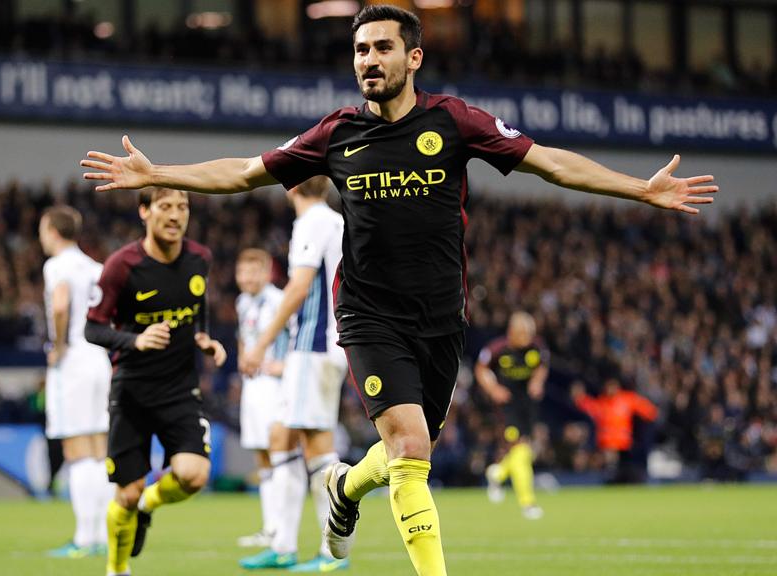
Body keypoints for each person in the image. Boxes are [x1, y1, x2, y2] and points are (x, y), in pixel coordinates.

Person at [78, 5, 717, 573]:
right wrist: (160, 171)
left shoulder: (455, 121)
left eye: (382, 48)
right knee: (410, 450)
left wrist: (640, 188)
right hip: (367, 317)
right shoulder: (336, 134)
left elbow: (549, 161)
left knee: (408, 453)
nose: (369, 60)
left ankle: (345, 488)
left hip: (441, 321)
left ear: (414, 57)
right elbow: (245, 171)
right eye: (360, 49)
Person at [84, 187, 227, 576]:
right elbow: (91, 329)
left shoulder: (200, 258)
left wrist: (204, 338)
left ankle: (151, 503)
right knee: (126, 494)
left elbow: (197, 307)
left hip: (180, 389)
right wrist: (135, 340)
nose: (176, 215)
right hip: (131, 389)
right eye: (165, 206)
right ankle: (117, 568)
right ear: (145, 211)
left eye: (182, 207)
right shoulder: (122, 266)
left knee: (193, 474)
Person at [238, 176, 349, 572]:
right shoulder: (337, 221)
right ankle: (283, 544)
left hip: (312, 347)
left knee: (319, 450)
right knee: (280, 438)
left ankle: (333, 551)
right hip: (325, 346)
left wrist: (261, 343)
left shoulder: (313, 222)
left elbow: (299, 287)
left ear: (292, 187)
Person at [39, 205, 116, 558]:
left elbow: (59, 305)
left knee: (76, 448)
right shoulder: (96, 267)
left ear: (53, 231)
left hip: (74, 360)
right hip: (99, 356)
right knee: (100, 448)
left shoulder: (57, 266)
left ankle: (84, 538)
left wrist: (59, 345)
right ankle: (103, 533)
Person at [233, 248, 288, 550]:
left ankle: (282, 528)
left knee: (278, 454)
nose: (247, 278)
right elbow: (244, 337)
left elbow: (295, 335)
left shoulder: (278, 300)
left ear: (267, 273)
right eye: (243, 272)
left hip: (275, 384)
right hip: (253, 386)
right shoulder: (243, 302)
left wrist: (285, 365)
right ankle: (270, 527)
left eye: (254, 271)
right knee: (262, 458)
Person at [474, 311, 549, 519]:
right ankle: (528, 503)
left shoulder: (537, 347)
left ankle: (498, 472)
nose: (526, 339)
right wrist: (493, 389)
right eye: (523, 334)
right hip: (507, 406)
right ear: (511, 332)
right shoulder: (497, 349)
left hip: (528, 405)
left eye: (529, 334)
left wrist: (537, 381)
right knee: (522, 450)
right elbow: (481, 369)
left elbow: (542, 366)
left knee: (524, 450)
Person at [572, 377, 659, 483]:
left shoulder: (627, 399)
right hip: (606, 446)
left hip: (624, 445)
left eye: (612, 386)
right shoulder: (602, 403)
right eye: (608, 386)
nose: (610, 389)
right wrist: (580, 398)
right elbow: (589, 406)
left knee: (627, 471)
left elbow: (649, 411)